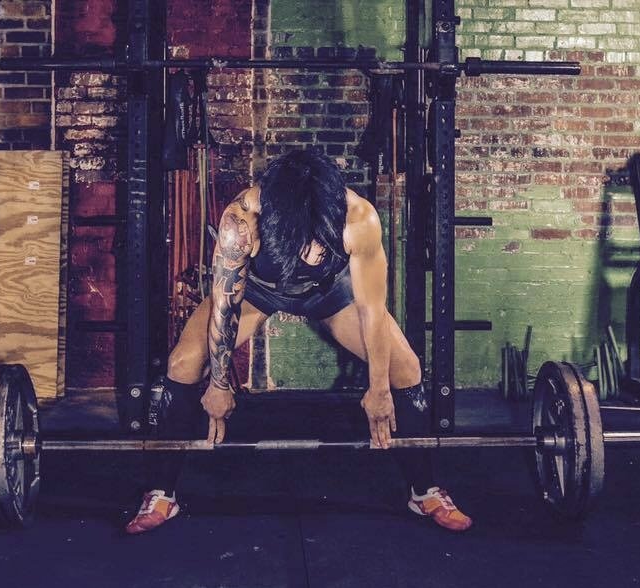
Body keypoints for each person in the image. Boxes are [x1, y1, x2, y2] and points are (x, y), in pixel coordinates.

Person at [124, 149, 472, 534]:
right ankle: (161, 494)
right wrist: (219, 384)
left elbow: (372, 309)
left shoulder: (359, 218)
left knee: (406, 367)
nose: (312, 252)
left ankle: (425, 493)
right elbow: (225, 303)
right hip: (259, 292)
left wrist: (378, 390)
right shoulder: (242, 219)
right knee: (183, 364)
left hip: (331, 295)